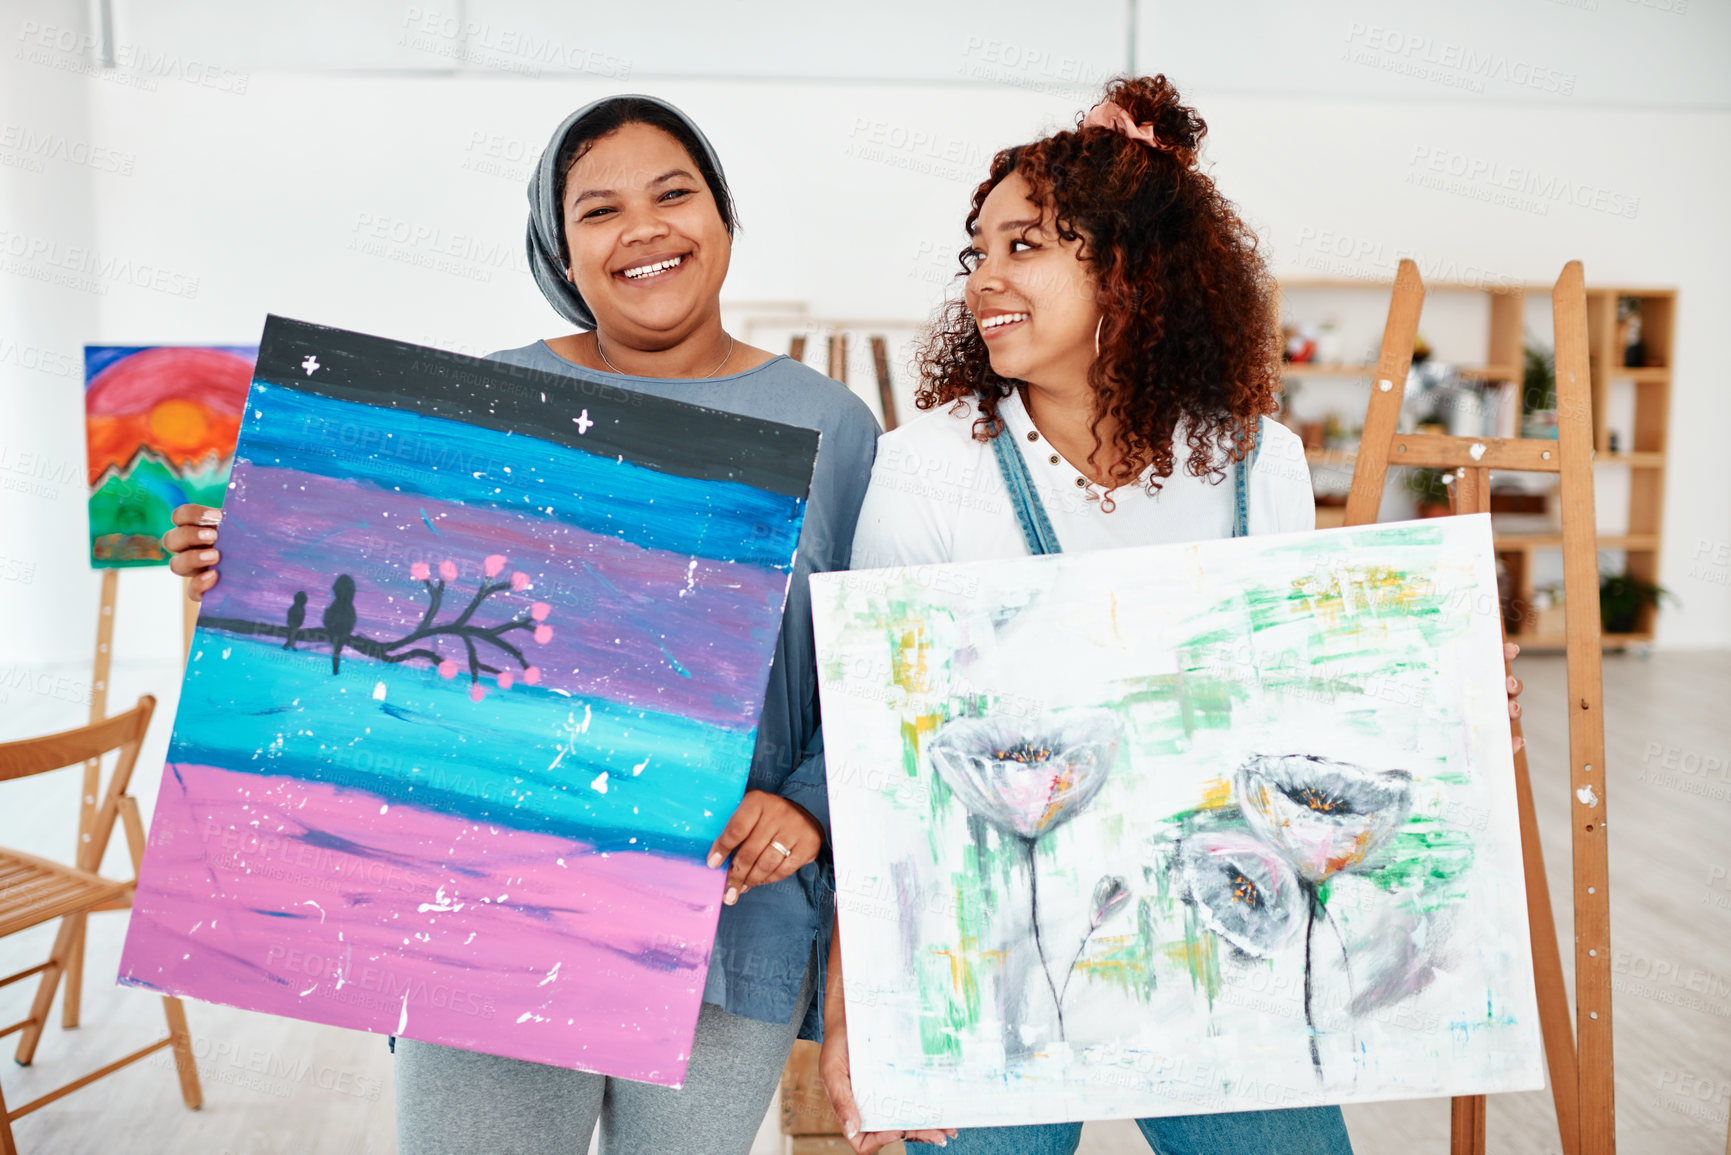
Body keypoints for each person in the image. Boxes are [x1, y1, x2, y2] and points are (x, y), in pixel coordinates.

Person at [818, 75, 1524, 1155]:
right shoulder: (927, 472)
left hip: (1219, 943)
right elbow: (884, 770)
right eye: (980, 252)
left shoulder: (1258, 464)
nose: (983, 282)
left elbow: (1303, 709)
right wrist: (854, 1015)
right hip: (1002, 962)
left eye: (1027, 246)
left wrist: (1444, 691)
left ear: (1130, 270)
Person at [162, 93, 881, 1155]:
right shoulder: (489, 403)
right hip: (486, 913)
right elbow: (359, 667)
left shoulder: (834, 427)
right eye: (600, 210)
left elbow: (873, 662)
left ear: (723, 217)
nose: (644, 228)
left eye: (674, 193)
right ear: (560, 248)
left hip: (729, 915)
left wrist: (811, 808)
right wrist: (245, 579)